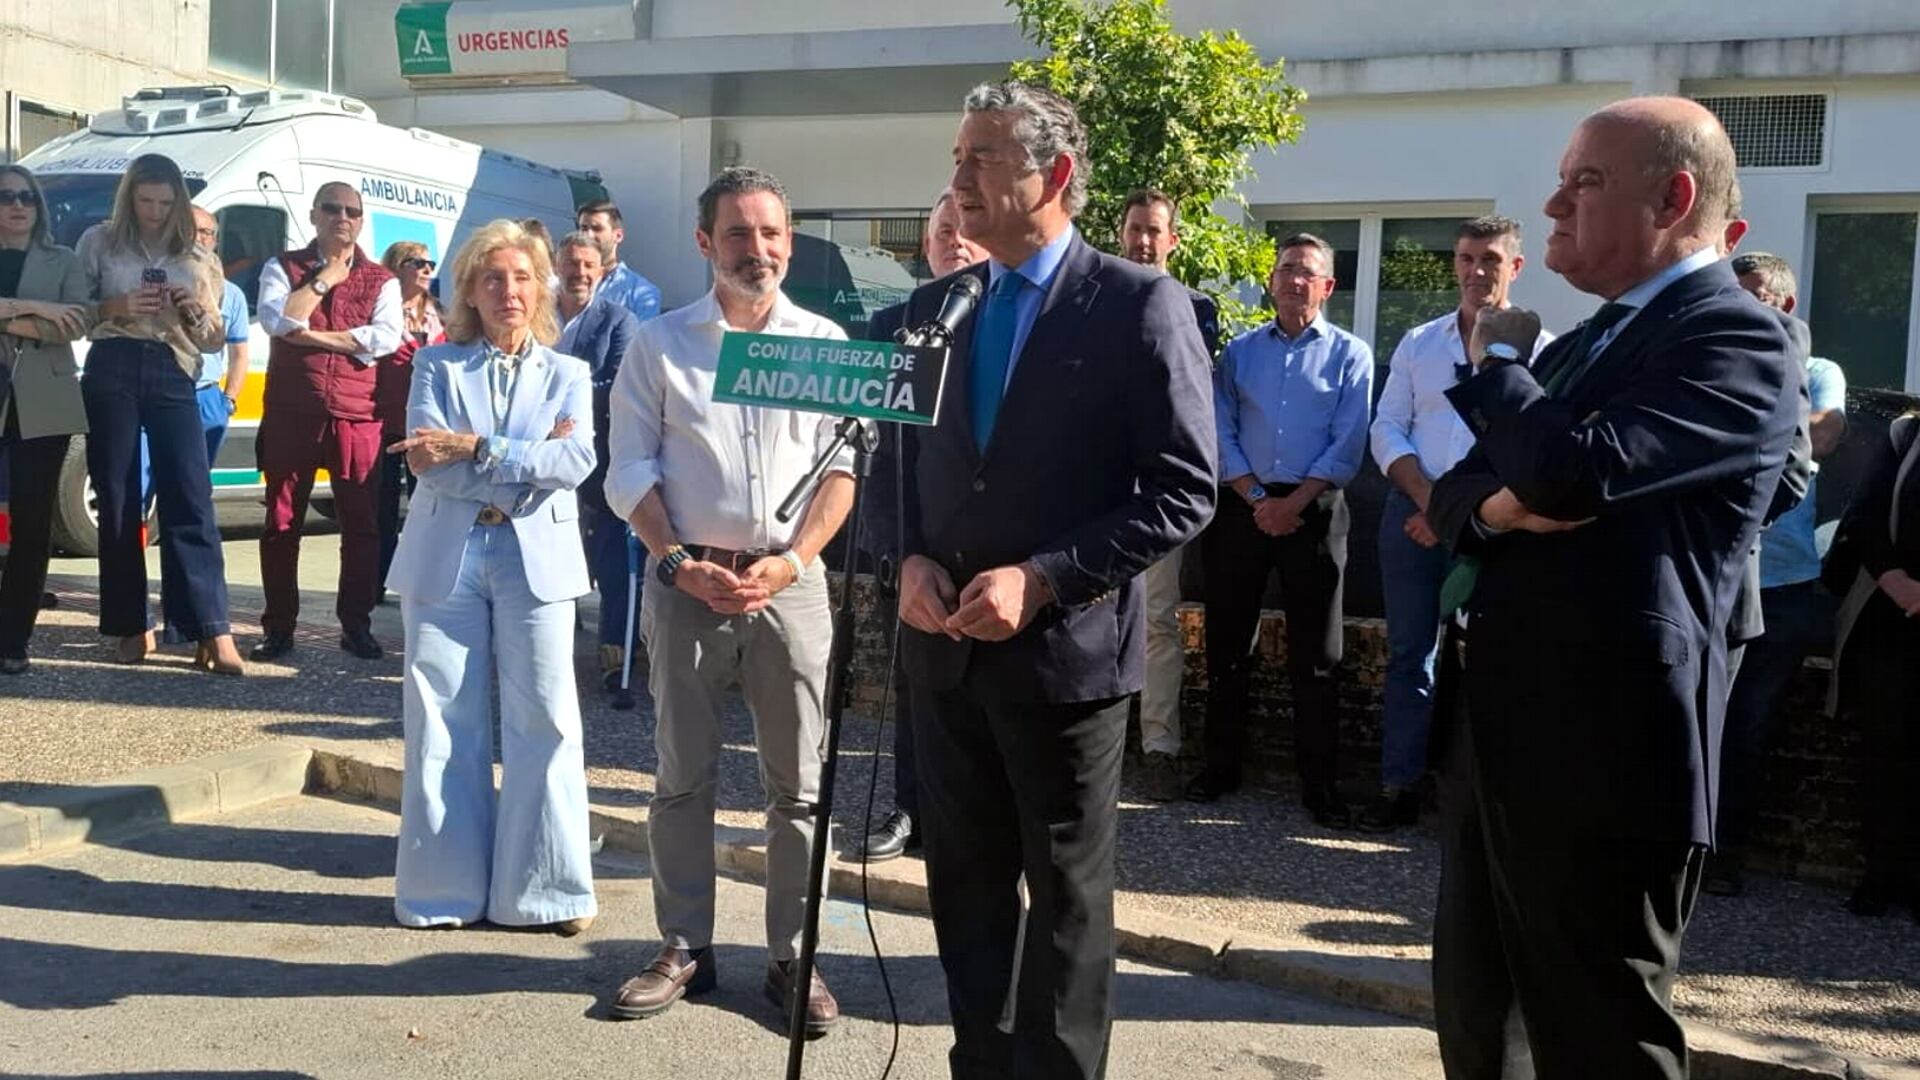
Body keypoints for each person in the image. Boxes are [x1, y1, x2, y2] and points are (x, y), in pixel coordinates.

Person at [1424, 97, 1796, 1078]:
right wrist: (1500, 506)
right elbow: (1468, 489)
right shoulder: (1587, 344)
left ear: (1674, 197)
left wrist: (1501, 364)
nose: (1551, 205)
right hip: (1501, 737)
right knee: (1479, 1020)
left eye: (1584, 182)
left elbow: (1570, 472)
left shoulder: (1738, 340)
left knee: (1596, 1044)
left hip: (1603, 760)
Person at [892, 83, 1216, 1078]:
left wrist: (1040, 580)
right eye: (958, 158)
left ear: (1055, 177)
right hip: (943, 657)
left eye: (982, 159)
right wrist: (902, 555)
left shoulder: (1137, 305)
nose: (956, 182)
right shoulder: (933, 308)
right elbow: (892, 466)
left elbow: (1182, 492)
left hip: (1064, 665)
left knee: (1067, 900)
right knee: (965, 886)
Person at [604, 167, 853, 1035]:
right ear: (706, 242)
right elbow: (628, 472)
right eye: (740, 234)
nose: (760, 250)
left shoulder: (822, 342)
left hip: (792, 588)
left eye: (772, 233)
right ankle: (685, 947)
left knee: (800, 791)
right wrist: (675, 562)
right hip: (687, 586)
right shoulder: (659, 344)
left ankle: (795, 956)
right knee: (682, 780)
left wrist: (793, 563)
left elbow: (842, 473)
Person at [383, 218, 598, 934]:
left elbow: (576, 464)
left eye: (522, 277)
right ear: (470, 290)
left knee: (546, 721)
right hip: (448, 558)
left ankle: (548, 893)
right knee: (440, 720)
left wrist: (475, 447)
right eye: (493, 278)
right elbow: (423, 462)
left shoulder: (570, 373)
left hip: (536, 563)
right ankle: (441, 893)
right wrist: (524, 460)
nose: (509, 290)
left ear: (540, 287)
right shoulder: (435, 366)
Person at [1363, 215, 1552, 831]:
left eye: (1491, 260)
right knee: (1410, 654)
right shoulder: (1420, 342)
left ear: (1515, 268)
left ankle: (1475, 796)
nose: (1476, 272)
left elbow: (1532, 450)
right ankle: (1400, 784)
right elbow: (1387, 427)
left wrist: (1457, 518)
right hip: (1413, 519)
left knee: (1491, 659)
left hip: (1494, 529)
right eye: (1467, 258)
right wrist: (1428, 504)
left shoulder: (1542, 351)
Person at [1192, 233, 1374, 820]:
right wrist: (1251, 494)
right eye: (1287, 269)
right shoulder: (1240, 354)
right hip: (1242, 509)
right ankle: (1220, 769)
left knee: (1317, 655)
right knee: (1226, 645)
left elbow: (1349, 441)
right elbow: (1219, 429)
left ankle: (1319, 786)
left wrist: (1294, 503)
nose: (1296, 280)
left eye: (1309, 272)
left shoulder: (1352, 355)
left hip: (1315, 512)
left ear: (1328, 286)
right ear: (1271, 281)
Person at [1708, 251, 1845, 896]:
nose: (1742, 305)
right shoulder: (1715, 357)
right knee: (1700, 716)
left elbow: (1825, 433)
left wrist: (1747, 430)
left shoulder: (1815, 369)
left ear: (1784, 305)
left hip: (1785, 587)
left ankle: (1726, 854)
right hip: (1718, 576)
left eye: (1755, 295)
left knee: (1748, 723)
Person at [74, 153, 242, 673]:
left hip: (174, 366)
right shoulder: (99, 242)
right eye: (145, 200)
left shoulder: (196, 253)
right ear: (129, 197)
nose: (154, 210)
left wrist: (191, 308)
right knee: (120, 498)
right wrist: (115, 307)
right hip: (113, 362)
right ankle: (129, 624)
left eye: (165, 202)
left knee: (190, 493)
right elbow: (76, 314)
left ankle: (210, 628)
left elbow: (215, 335)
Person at [859, 189, 986, 863]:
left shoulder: (1006, 324)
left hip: (990, 547)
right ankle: (909, 809)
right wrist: (895, 550)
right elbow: (875, 456)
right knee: (915, 687)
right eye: (943, 230)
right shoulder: (890, 326)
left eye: (967, 228)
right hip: (912, 544)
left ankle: (971, 821)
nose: (955, 240)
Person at [252, 182, 404, 662]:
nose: (344, 217)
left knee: (361, 526)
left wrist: (314, 335)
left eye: (353, 211)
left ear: (362, 220)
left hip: (358, 417)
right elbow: (278, 322)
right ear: (314, 214)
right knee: (280, 522)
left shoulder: (384, 280)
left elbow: (384, 339)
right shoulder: (283, 266)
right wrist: (324, 282)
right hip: (291, 413)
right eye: (333, 209)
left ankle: (355, 625)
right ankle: (279, 628)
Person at [1117, 188, 1221, 802]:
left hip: (1156, 494)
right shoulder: (1089, 296)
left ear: (1173, 239)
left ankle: (1158, 747)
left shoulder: (1197, 310)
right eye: (1136, 229)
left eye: (1155, 230)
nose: (1145, 241)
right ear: (1121, 232)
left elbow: (1194, 406)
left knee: (1156, 622)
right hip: (1098, 486)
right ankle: (1095, 739)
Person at [0, 164, 91, 675]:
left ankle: (13, 637)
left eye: (26, 198)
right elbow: (51, 318)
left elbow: (75, 321)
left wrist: (10, 317)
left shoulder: (63, 259)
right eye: (6, 196)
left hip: (43, 401)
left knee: (33, 526)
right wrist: (33, 309)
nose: (17, 206)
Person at [1830, 409, 1920, 921]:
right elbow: (1864, 515)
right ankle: (1882, 874)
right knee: (1884, 750)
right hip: (1891, 619)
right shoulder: (1905, 434)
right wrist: (1897, 581)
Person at [157, 205, 251, 647]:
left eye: (210, 233)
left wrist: (228, 401)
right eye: (195, 230)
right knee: (141, 508)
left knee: (194, 507)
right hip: (159, 394)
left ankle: (192, 624)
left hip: (207, 399)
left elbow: (237, 351)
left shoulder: (228, 291)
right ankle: (137, 620)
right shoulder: (159, 274)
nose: (203, 239)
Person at [551, 229, 640, 694]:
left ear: (603, 269)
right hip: (540, 459)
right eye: (571, 263)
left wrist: (557, 399)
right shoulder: (536, 316)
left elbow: (619, 383)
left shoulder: (618, 320)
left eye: (588, 265)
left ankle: (614, 655)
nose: (579, 272)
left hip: (598, 460)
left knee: (609, 560)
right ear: (556, 265)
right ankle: (544, 651)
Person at [373, 241, 445, 598]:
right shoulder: (381, 311)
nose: (426, 269)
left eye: (429, 262)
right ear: (395, 267)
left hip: (426, 427)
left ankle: (419, 582)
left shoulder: (440, 316)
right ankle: (376, 584)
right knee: (381, 509)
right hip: (384, 421)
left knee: (425, 509)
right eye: (416, 262)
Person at [575, 199, 662, 325]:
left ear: (618, 236)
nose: (588, 235)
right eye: (583, 228)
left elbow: (641, 342)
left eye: (597, 228)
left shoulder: (640, 293)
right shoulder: (566, 281)